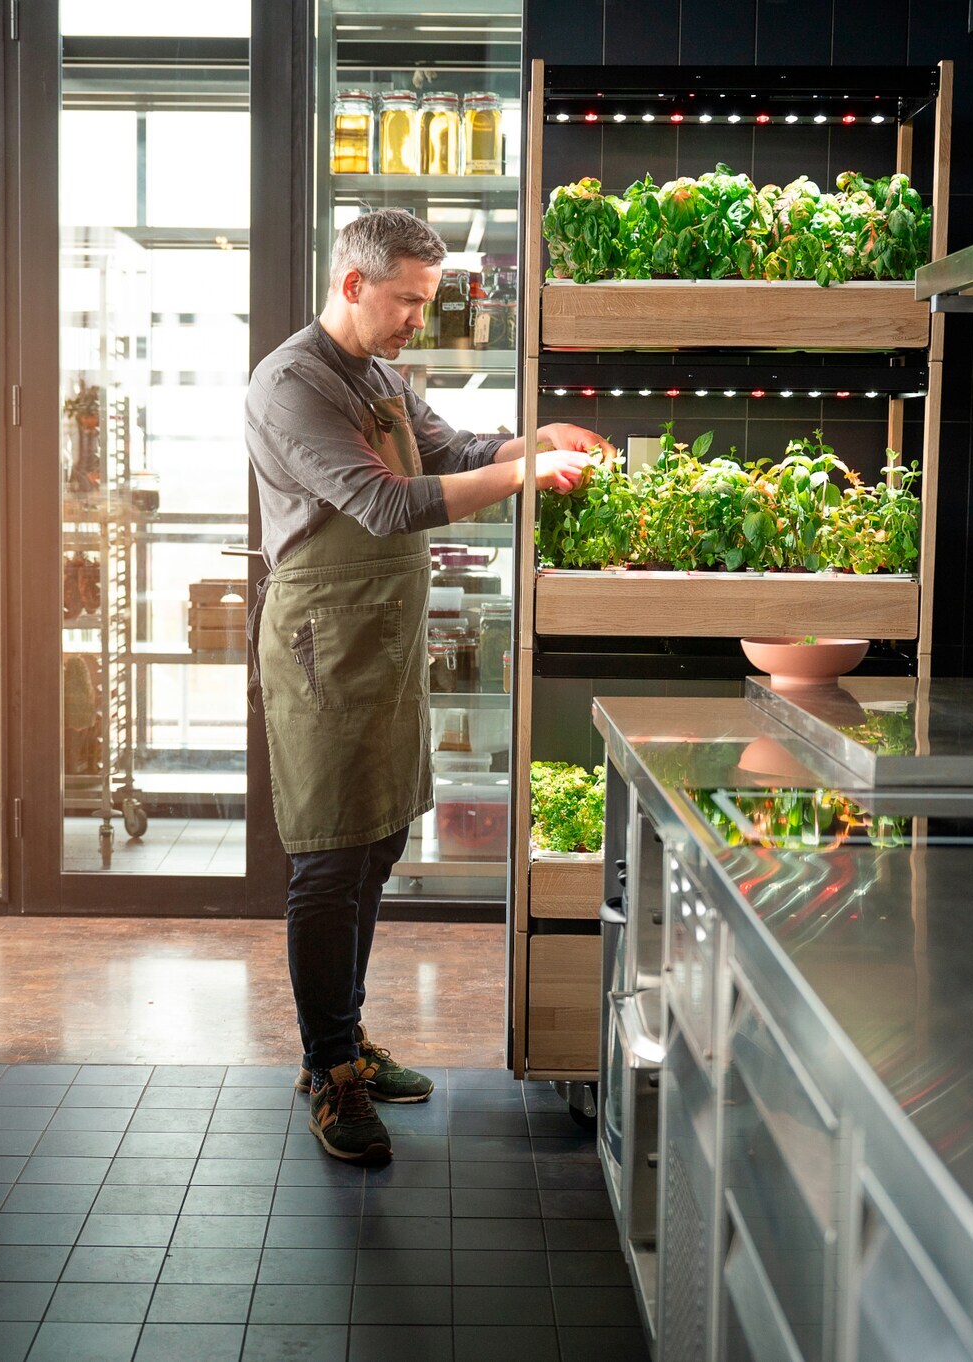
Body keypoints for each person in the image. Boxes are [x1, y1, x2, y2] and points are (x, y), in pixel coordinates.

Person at [245, 208, 608, 1162]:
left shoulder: (382, 375)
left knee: (377, 843)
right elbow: (385, 502)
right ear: (354, 284)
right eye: (407, 300)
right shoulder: (289, 384)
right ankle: (329, 1072)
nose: (419, 317)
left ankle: (349, 1041)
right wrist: (531, 476)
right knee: (329, 857)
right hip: (326, 647)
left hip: (386, 644)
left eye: (426, 299)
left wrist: (533, 439)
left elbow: (446, 453)